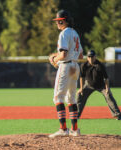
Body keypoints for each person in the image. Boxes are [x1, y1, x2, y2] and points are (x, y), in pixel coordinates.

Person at [49, 10, 83, 138]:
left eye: (58, 21)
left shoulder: (64, 33)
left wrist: (54, 59)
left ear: (63, 21)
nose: (57, 23)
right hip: (75, 66)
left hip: (66, 66)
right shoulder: (75, 33)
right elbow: (81, 55)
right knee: (71, 98)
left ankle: (63, 129)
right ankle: (75, 129)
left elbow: (62, 54)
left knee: (58, 97)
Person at [77, 50, 121, 120]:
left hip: (101, 85)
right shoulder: (83, 66)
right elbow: (81, 77)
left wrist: (107, 88)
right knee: (80, 95)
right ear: (87, 58)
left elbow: (106, 78)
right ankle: (76, 115)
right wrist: (81, 88)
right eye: (89, 57)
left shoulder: (100, 65)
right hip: (88, 85)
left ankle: (117, 114)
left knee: (109, 95)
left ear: (95, 57)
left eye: (92, 56)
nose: (91, 58)